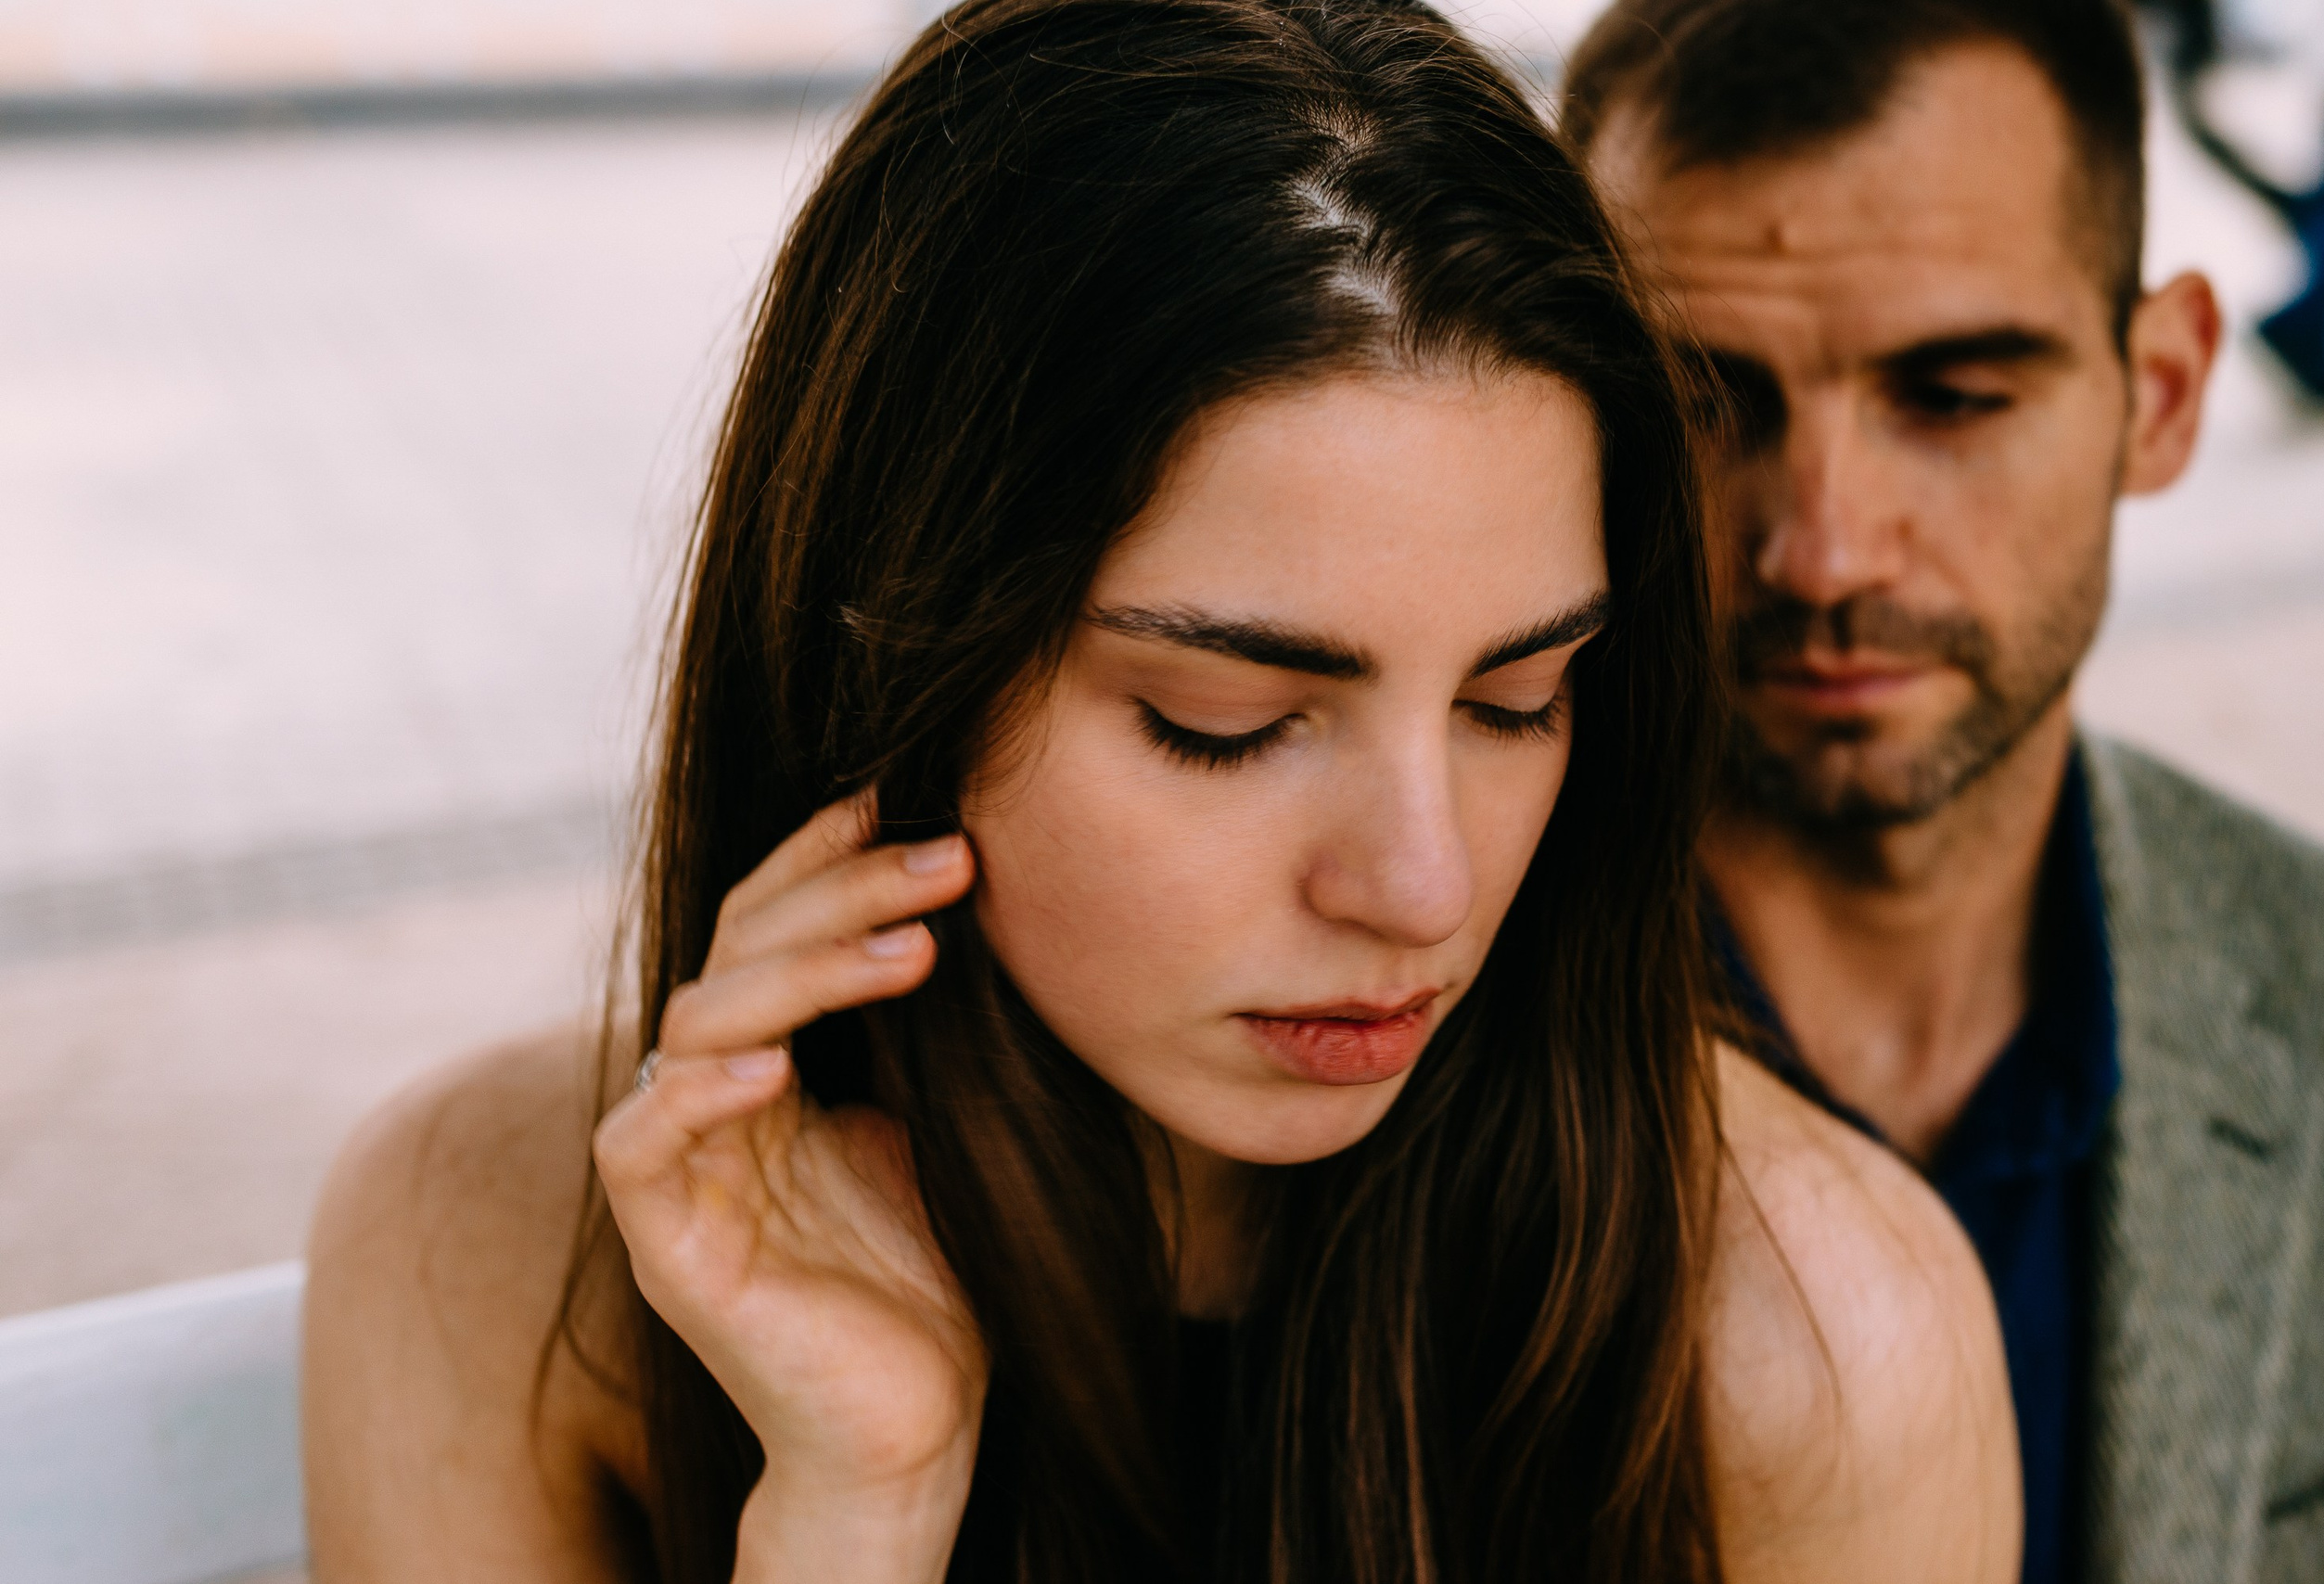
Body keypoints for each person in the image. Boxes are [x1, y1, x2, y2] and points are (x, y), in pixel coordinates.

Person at [301, 2, 2019, 1579]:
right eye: (1226, 722)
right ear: (886, 668)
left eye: (1515, 703)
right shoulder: (489, 1244)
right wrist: (857, 1504)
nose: (1422, 887)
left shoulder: (1817, 1335)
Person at [1559, 3, 2324, 1581]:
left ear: (2162, 391)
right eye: (1705, 402)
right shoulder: (1374, 1040)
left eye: (1950, 397)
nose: (1824, 550)